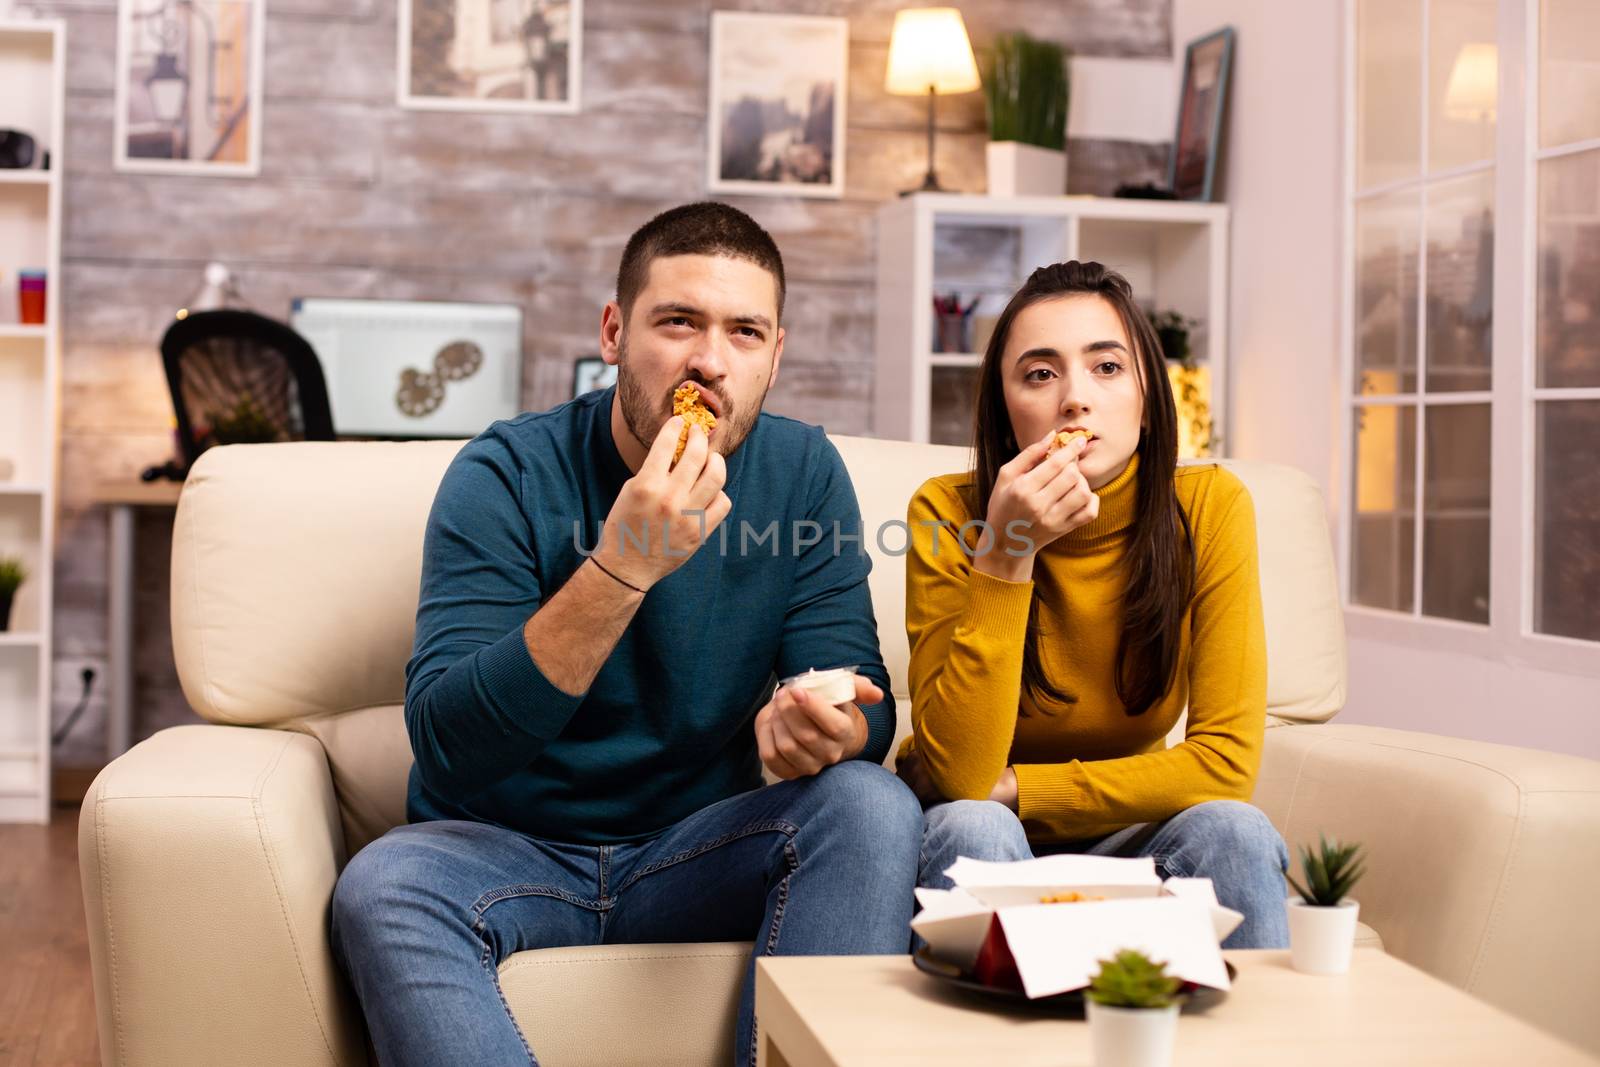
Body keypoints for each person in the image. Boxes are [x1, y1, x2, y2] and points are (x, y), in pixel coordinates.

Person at [330, 202, 922, 1066]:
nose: (708, 361)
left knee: (872, 804)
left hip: (700, 846)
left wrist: (829, 726)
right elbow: (449, 745)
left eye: (745, 332)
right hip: (504, 848)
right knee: (383, 885)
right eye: (678, 321)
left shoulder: (801, 472)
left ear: (775, 356)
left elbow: (862, 698)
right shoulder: (503, 474)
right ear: (614, 332)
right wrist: (621, 567)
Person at [897, 260, 1289, 948]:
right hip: (988, 834)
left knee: (1236, 828)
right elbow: (960, 778)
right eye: (1041, 373)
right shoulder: (944, 511)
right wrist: (1007, 551)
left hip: (1130, 838)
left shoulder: (1211, 507)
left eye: (1106, 367)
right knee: (974, 823)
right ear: (1005, 405)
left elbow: (1225, 764)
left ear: (1146, 390)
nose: (1075, 399)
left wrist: (1021, 786)